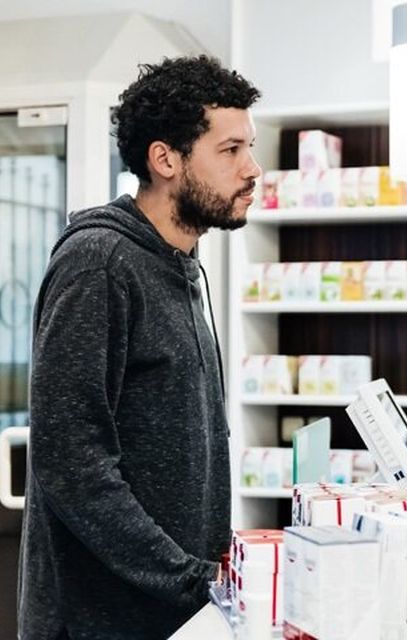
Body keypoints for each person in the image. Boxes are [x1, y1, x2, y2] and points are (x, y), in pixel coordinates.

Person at [18, 55, 262, 639]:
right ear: (166, 159)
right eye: (230, 151)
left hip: (169, 612)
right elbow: (70, 460)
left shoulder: (180, 265)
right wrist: (186, 577)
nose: (253, 169)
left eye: (249, 147)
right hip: (98, 620)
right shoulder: (99, 262)